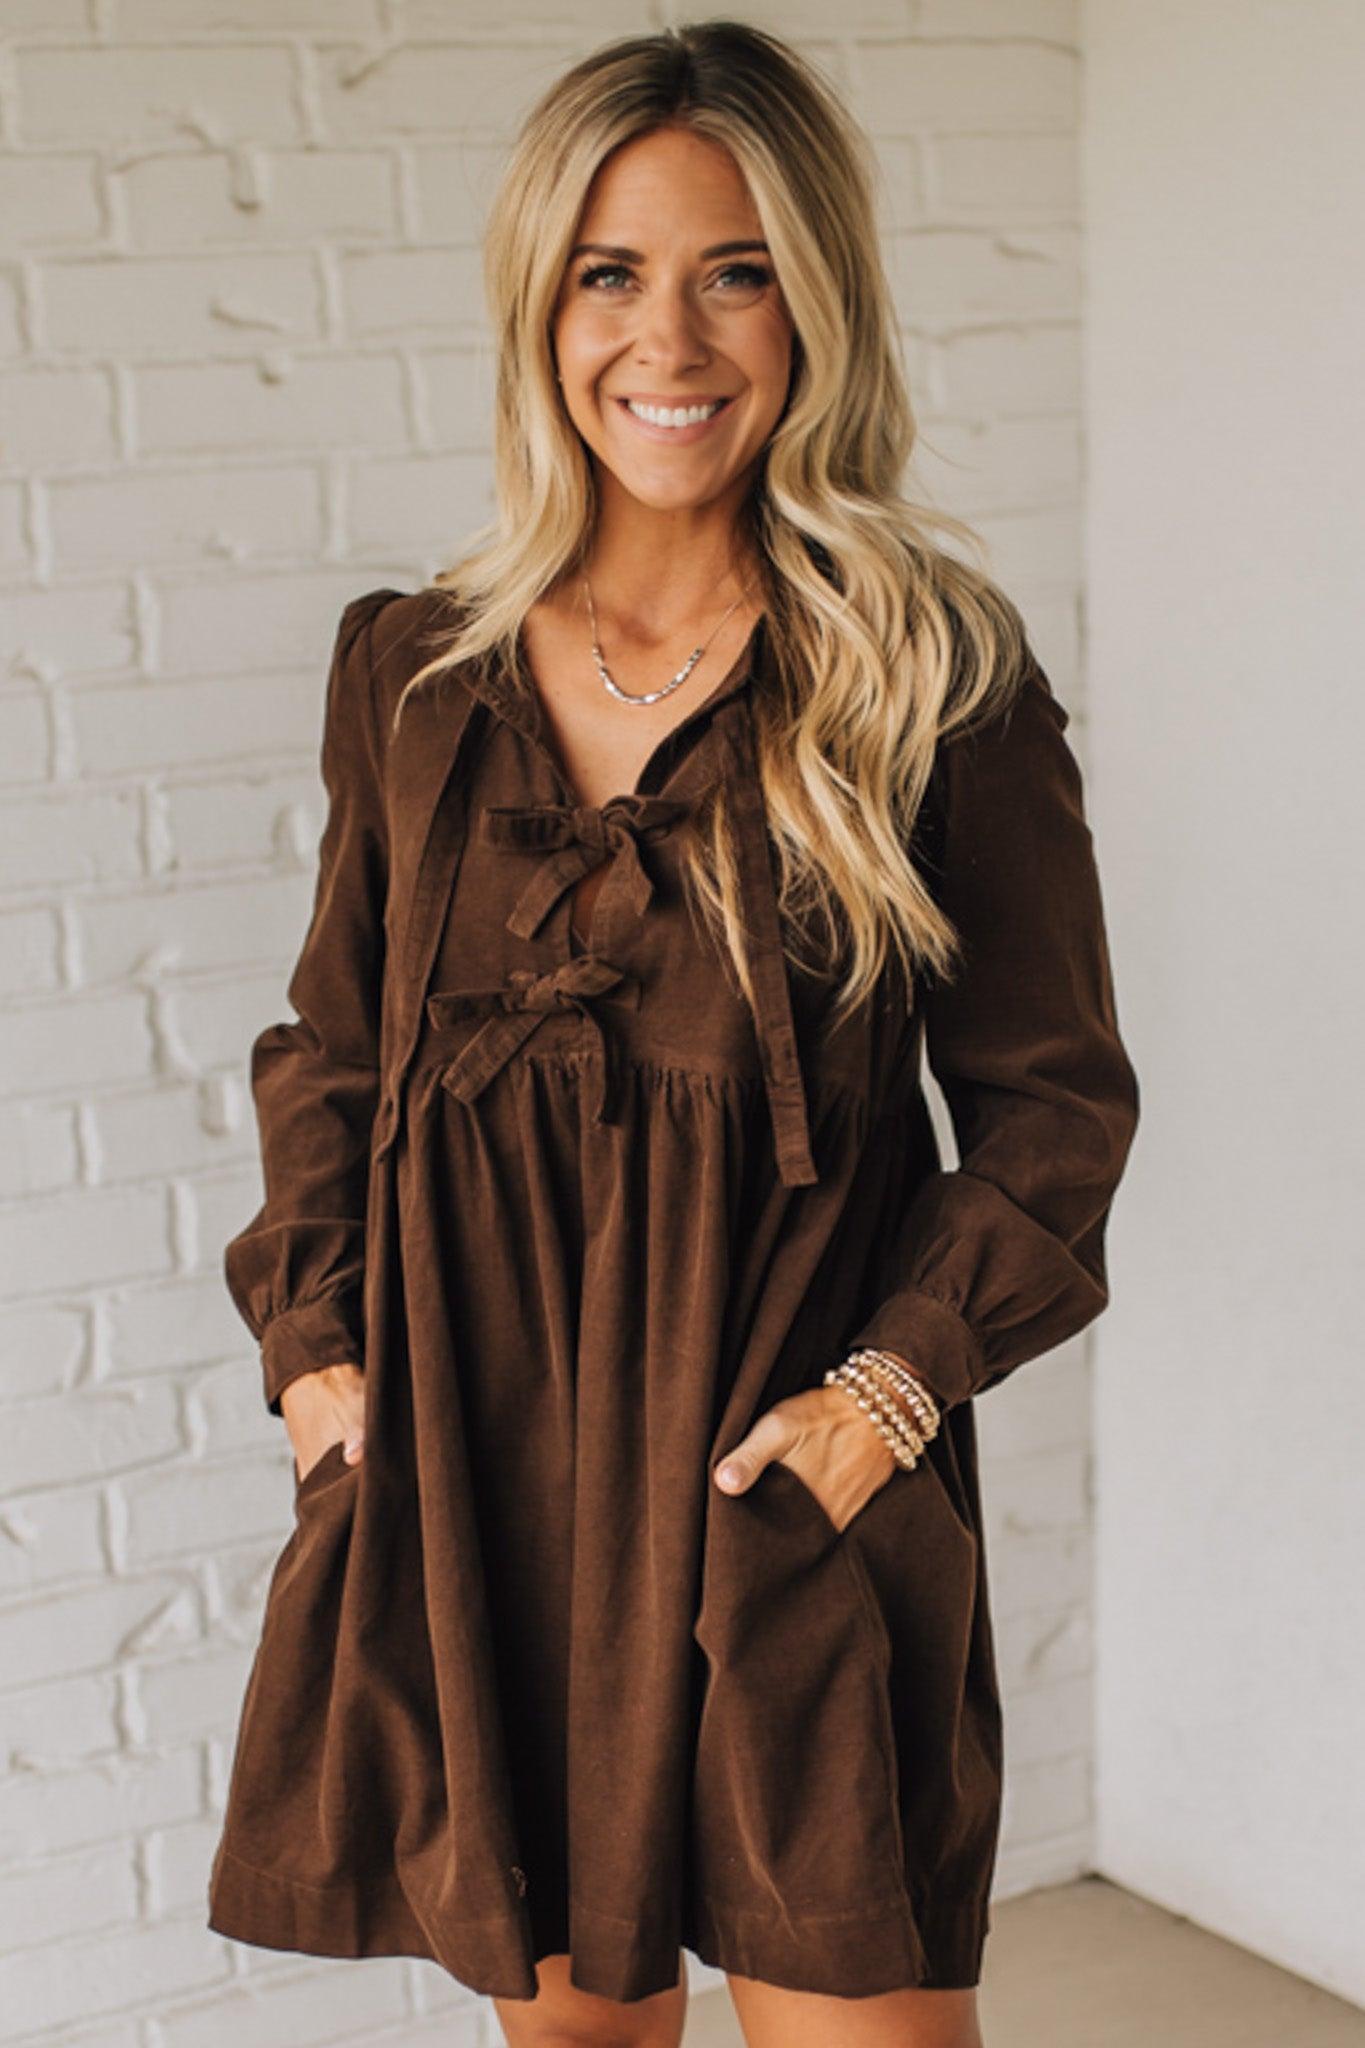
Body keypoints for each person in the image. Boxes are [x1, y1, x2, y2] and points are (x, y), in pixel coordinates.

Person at [205, 21, 1139, 2048]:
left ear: (816, 303)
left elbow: (1052, 1107)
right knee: (573, 2032)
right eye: (609, 273)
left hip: (782, 1490)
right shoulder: (415, 676)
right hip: (487, 1493)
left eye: (736, 271)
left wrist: (883, 1401)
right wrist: (318, 1359)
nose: (669, 338)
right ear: (538, 306)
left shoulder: (926, 674)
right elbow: (332, 1049)